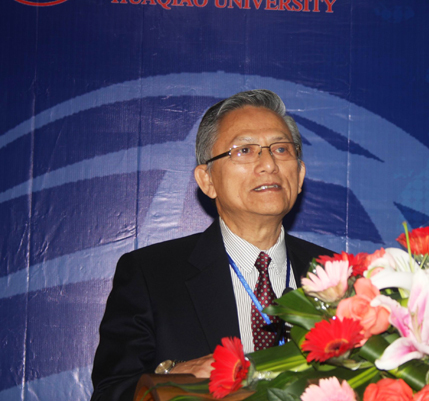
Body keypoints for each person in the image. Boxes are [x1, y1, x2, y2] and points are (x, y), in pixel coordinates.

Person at [90, 89, 333, 401]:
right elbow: (111, 392)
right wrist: (172, 376)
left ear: (299, 175)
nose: (269, 164)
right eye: (244, 150)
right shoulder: (151, 275)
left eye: (281, 149)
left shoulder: (339, 275)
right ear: (207, 180)